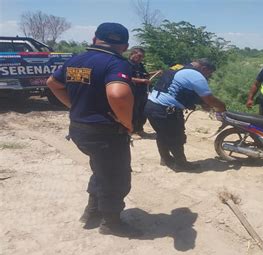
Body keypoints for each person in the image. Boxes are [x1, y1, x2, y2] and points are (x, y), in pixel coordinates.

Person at [46, 22, 142, 237]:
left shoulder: (76, 59)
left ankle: (92, 212)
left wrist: (74, 105)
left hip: (79, 129)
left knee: (101, 169)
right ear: (124, 45)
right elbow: (118, 94)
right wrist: (127, 123)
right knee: (116, 177)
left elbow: (52, 83)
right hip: (105, 133)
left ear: (93, 39)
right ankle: (111, 223)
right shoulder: (116, 63)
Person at [144, 58, 226, 172]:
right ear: (204, 68)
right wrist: (222, 107)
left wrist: (200, 102)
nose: (208, 76)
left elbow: (178, 87)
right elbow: (210, 99)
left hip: (151, 105)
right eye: (209, 73)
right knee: (176, 137)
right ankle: (181, 164)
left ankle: (165, 159)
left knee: (162, 134)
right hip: (167, 110)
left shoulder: (177, 67)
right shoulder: (196, 75)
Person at [128, 47, 151, 138]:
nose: (141, 59)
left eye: (142, 57)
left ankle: (140, 129)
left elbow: (144, 75)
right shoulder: (126, 64)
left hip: (142, 91)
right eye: (139, 56)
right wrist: (142, 81)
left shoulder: (140, 65)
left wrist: (155, 73)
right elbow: (126, 77)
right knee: (134, 111)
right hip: (133, 91)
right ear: (133, 54)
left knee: (143, 110)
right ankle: (132, 131)